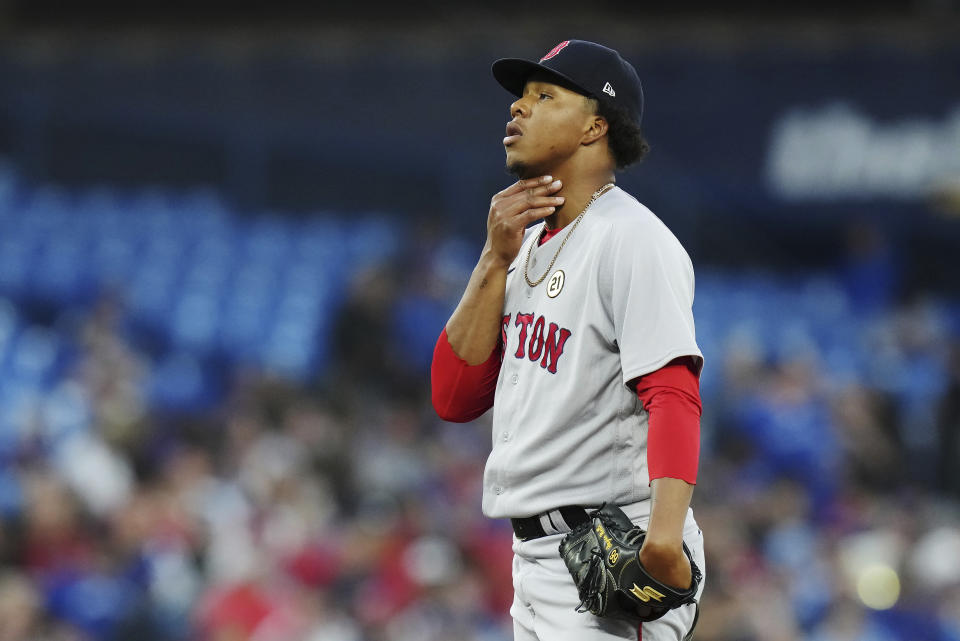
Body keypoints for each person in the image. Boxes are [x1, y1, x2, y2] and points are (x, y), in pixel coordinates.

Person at [430, 39, 706, 641]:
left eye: (544, 96)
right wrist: (492, 261)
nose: (518, 109)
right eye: (520, 97)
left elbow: (674, 394)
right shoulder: (523, 244)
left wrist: (662, 539)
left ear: (595, 127)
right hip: (534, 560)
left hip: (608, 547)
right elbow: (454, 399)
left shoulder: (632, 239)